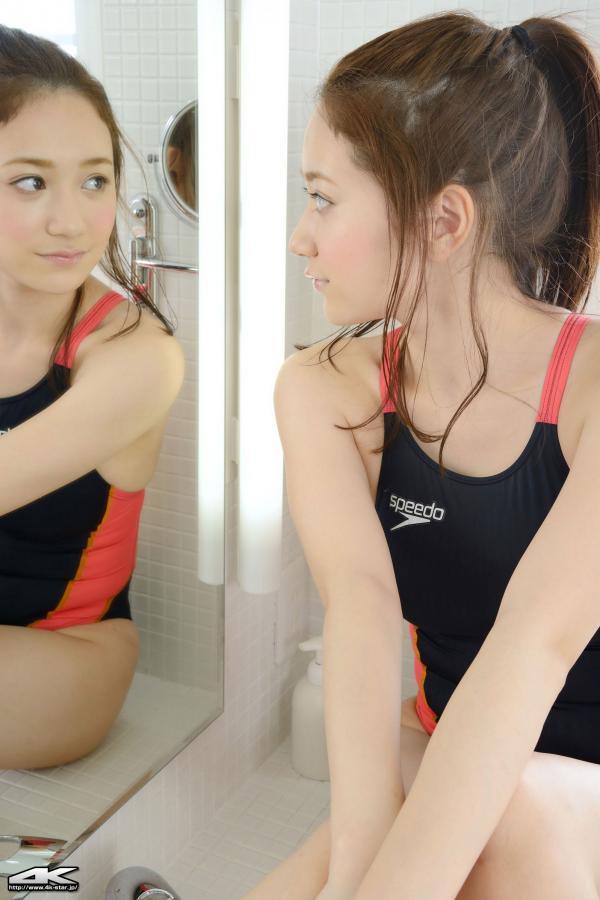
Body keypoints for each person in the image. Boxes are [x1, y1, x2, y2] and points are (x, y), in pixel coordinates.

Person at [248, 11, 600, 900]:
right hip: (455, 751)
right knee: (329, 869)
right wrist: (358, 867)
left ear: (444, 220)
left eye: (323, 198)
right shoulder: (323, 392)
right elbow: (362, 613)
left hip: (577, 794)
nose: (299, 236)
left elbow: (535, 644)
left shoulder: (592, 389)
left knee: (501, 814)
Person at [0, 26, 185, 769]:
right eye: (31, 182)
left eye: (95, 180)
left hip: (65, 660)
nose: (71, 222)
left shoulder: (137, 358)